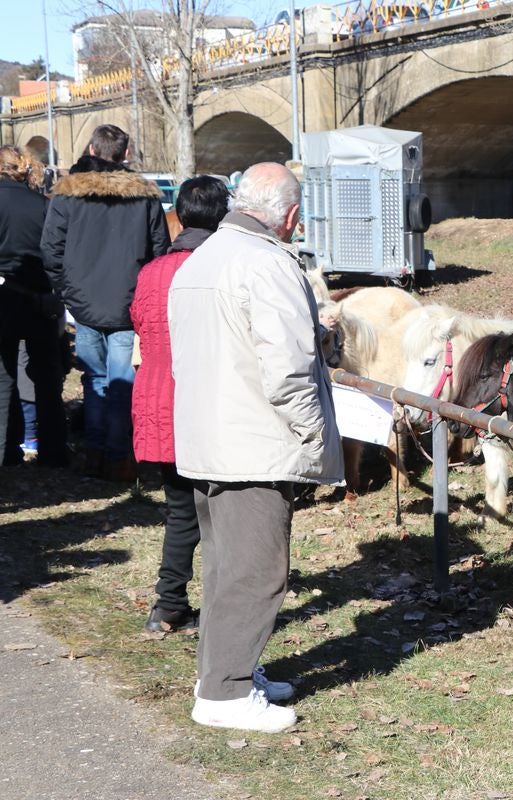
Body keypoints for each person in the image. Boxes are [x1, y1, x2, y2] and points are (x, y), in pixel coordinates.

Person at [169, 162, 343, 733]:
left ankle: (225, 671)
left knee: (224, 565)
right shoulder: (268, 263)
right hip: (255, 440)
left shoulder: (202, 257)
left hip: (209, 434)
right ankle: (225, 694)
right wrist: (314, 434)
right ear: (290, 216)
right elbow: (287, 370)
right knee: (257, 569)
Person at [41, 124, 170, 481]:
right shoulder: (144, 196)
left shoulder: (69, 195)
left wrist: (66, 290)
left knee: (97, 380)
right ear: (125, 155)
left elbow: (50, 249)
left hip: (84, 302)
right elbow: (159, 250)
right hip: (127, 302)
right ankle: (116, 456)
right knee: (121, 383)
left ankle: (95, 453)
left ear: (93, 151)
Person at [130, 176, 230, 633]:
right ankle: (223, 609)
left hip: (156, 399)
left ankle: (169, 603)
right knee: (222, 512)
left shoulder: (151, 271)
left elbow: (139, 323)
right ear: (222, 215)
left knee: (180, 508)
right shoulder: (217, 267)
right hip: (202, 401)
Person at [0, 145, 67, 469]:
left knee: (4, 378)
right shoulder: (43, 205)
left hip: (3, 296)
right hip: (40, 298)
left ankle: (6, 450)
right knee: (47, 377)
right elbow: (55, 254)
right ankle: (54, 450)